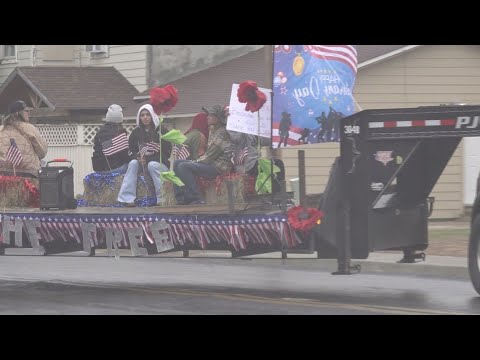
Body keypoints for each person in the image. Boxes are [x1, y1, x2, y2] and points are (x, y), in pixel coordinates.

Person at [173, 105, 233, 205]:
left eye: (210, 115)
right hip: (210, 164)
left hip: (218, 167)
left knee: (184, 166)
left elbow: (209, 156)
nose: (207, 117)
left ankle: (196, 198)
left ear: (217, 118)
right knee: (177, 163)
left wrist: (193, 161)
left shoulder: (222, 133)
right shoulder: (213, 131)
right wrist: (194, 162)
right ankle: (181, 198)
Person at [117, 104, 172, 207]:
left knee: (152, 165)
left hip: (159, 165)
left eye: (148, 114)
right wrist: (136, 157)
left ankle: (162, 198)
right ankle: (127, 198)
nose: (145, 117)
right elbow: (130, 151)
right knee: (133, 163)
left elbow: (166, 152)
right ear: (139, 117)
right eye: (142, 115)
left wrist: (148, 159)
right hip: (141, 164)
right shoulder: (136, 133)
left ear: (152, 115)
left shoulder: (162, 131)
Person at [0, 100, 48, 178]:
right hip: (29, 175)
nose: (29, 113)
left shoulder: (1, 130)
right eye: (26, 111)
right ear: (17, 113)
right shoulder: (30, 128)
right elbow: (42, 152)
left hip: (4, 177)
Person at [91, 104, 130, 173]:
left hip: (98, 169)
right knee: (133, 165)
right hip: (114, 169)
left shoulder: (99, 132)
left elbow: (98, 150)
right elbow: (124, 156)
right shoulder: (120, 132)